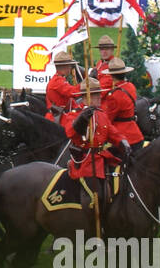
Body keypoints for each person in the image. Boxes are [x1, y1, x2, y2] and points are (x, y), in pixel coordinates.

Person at [62, 78, 119, 236]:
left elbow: (112, 132)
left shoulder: (101, 114)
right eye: (95, 95)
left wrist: (124, 142)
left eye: (99, 95)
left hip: (102, 157)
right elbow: (71, 133)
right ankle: (94, 231)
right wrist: (81, 120)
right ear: (86, 97)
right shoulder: (75, 114)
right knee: (96, 197)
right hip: (86, 161)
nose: (99, 98)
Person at [101, 58, 143, 152]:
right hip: (135, 133)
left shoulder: (114, 95)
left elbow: (108, 119)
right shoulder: (130, 86)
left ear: (111, 76)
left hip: (121, 137)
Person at [45, 51, 79, 121]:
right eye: (70, 66)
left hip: (61, 114)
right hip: (58, 117)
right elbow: (73, 92)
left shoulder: (60, 79)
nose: (70, 68)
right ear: (64, 66)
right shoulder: (57, 81)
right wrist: (87, 84)